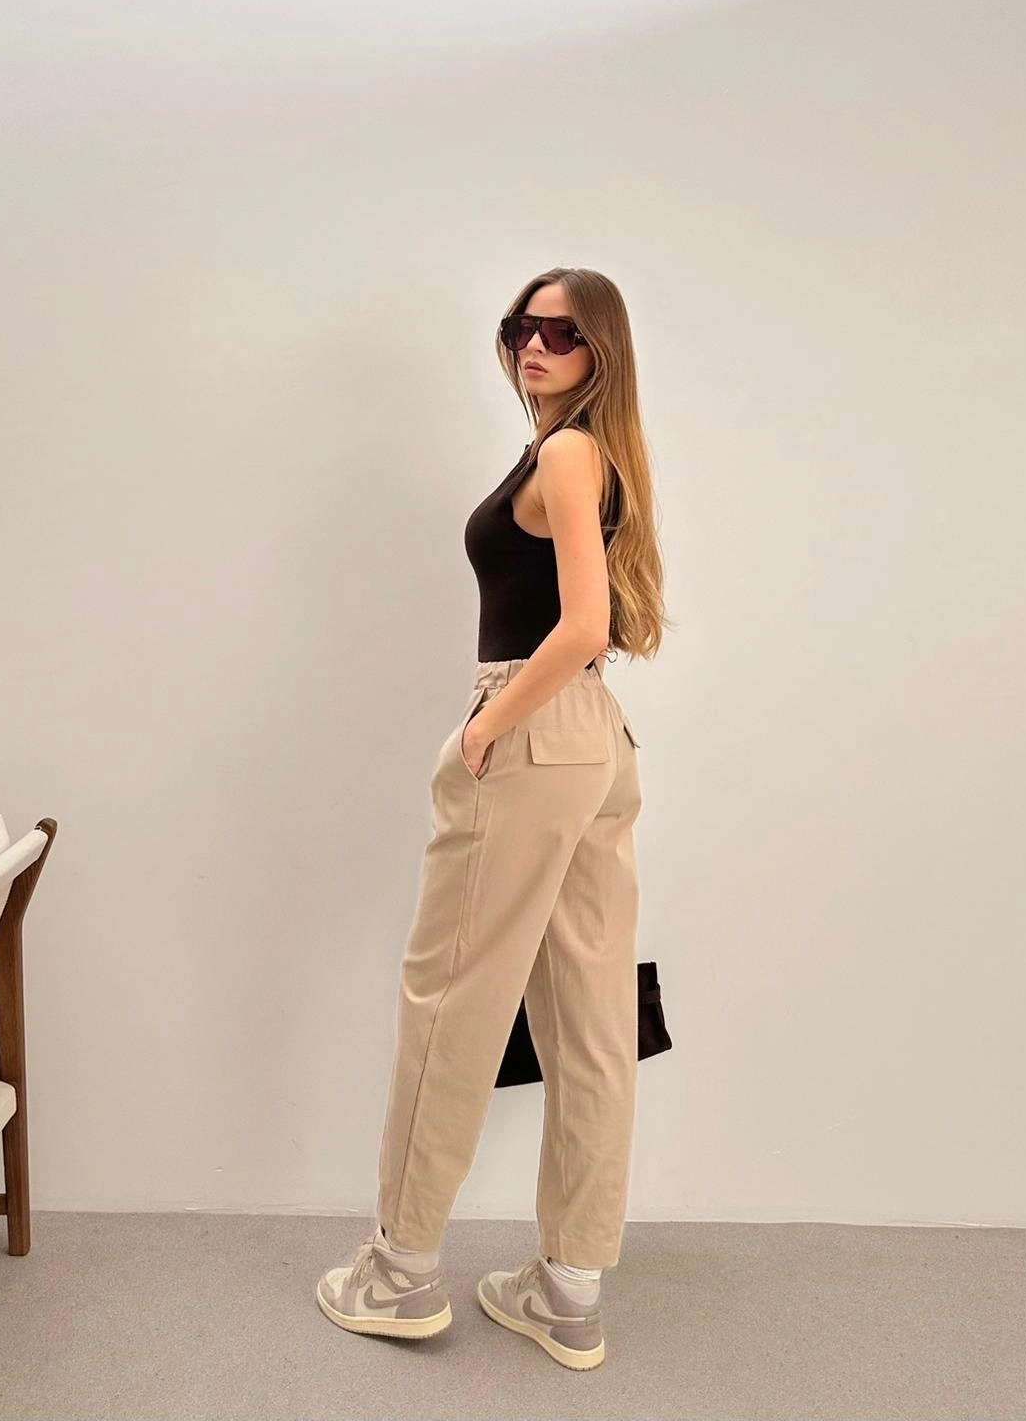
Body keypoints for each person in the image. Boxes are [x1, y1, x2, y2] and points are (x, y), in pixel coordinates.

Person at [316, 266, 669, 1370]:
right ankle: (569, 1290)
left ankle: (401, 1269)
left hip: (531, 730)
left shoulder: (567, 454)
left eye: (561, 332)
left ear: (600, 349)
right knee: (592, 1022)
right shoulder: (592, 454)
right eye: (522, 326)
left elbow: (583, 623)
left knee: (452, 1000)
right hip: (595, 741)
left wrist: (485, 728)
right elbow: (597, 635)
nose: (534, 345)